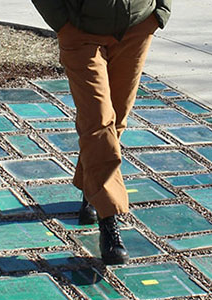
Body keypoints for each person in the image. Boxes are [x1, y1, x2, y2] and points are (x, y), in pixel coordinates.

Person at [31, 0, 172, 265]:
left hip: (137, 25)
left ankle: (92, 190)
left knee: (116, 120)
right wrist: (62, 23)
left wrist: (160, 11)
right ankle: (109, 220)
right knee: (98, 121)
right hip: (82, 30)